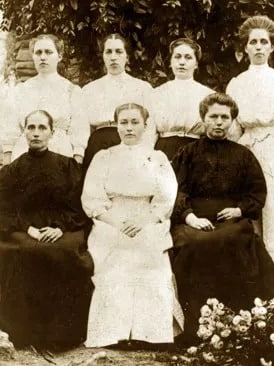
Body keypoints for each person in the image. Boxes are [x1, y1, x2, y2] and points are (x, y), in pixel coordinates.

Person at [171, 93, 274, 343]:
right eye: (213, 116)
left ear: (233, 121)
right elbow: (175, 190)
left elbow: (256, 192)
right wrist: (189, 216)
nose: (219, 122)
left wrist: (239, 210)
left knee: (234, 239)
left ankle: (236, 321)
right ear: (203, 119)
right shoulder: (187, 154)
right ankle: (197, 325)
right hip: (193, 219)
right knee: (194, 243)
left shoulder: (243, 155)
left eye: (225, 117)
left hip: (231, 218)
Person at [82, 102, 181, 348]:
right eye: (123, 122)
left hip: (147, 218)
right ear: (116, 126)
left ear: (146, 126)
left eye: (134, 122)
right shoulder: (104, 157)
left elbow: (166, 196)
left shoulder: (157, 158)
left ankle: (150, 334)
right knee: (115, 258)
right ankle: (113, 333)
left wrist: (144, 220)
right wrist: (115, 221)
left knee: (148, 257)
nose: (129, 128)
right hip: (111, 220)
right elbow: (92, 197)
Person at [0, 110, 93, 348]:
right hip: (23, 227)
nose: (36, 133)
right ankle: (22, 333)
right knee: (21, 252)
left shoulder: (67, 165)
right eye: (31, 128)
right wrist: (27, 227)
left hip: (63, 226)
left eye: (42, 128)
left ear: (52, 132)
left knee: (63, 252)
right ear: (24, 132)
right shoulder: (12, 170)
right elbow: (5, 208)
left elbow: (77, 204)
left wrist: (60, 227)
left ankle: (61, 336)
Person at [226, 15, 274, 306]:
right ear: (244, 48)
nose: (258, 47)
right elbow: (233, 126)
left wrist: (273, 130)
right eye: (252, 42)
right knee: (248, 219)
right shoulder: (236, 83)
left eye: (263, 42)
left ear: (272, 48)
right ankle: (255, 300)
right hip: (246, 152)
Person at [2, 34, 88, 165]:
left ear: (59, 56)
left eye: (48, 52)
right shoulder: (21, 90)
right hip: (24, 154)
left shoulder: (71, 91)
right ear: (33, 56)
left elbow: (79, 129)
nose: (43, 57)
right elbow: (10, 128)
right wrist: (7, 163)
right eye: (38, 52)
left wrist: (76, 163)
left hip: (60, 154)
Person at [82, 33, 154, 171]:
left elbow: (150, 126)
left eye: (119, 52)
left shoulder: (143, 88)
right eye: (108, 52)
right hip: (98, 144)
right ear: (103, 56)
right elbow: (84, 127)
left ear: (127, 57)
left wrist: (145, 151)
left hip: (130, 141)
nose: (113, 57)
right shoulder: (89, 89)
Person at [153, 38, 214, 160]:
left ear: (196, 64)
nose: (182, 62)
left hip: (196, 150)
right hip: (164, 151)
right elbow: (149, 132)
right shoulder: (157, 93)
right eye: (177, 57)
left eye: (188, 57)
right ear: (170, 61)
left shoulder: (208, 95)